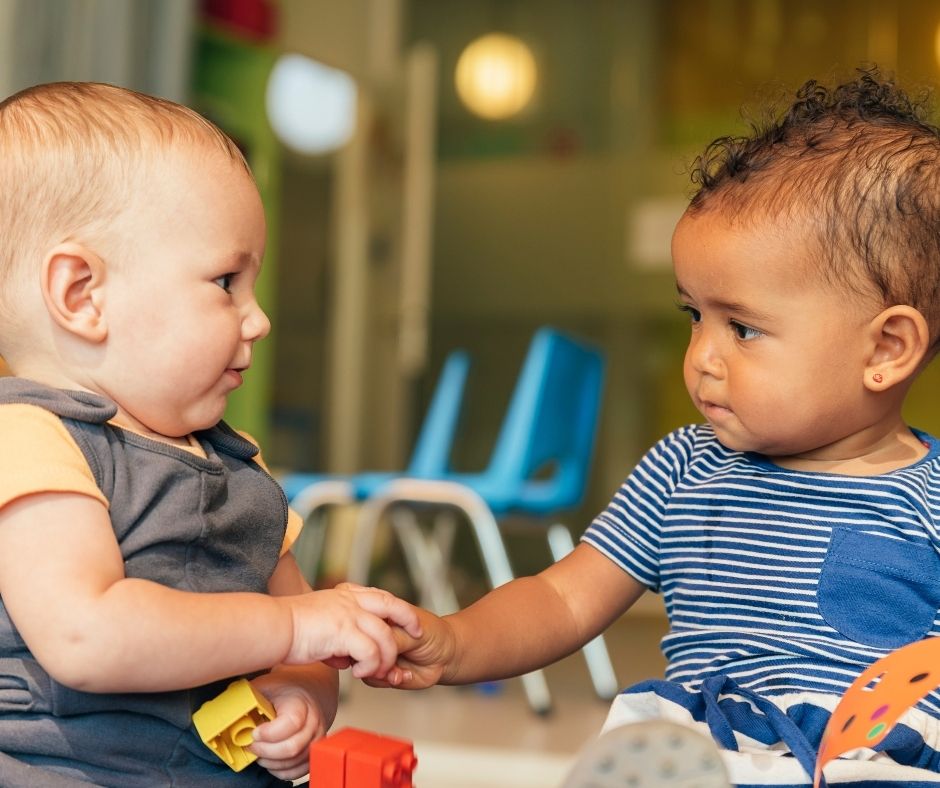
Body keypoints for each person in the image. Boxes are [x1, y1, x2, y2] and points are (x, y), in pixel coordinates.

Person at [380, 69, 940, 786]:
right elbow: (562, 598)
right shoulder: (685, 468)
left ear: (886, 349)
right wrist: (457, 641)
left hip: (874, 759)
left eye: (743, 328)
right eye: (693, 317)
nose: (702, 357)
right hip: (700, 753)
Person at [0, 82, 421, 788]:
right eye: (226, 282)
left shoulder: (239, 465)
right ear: (83, 295)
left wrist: (300, 694)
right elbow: (86, 635)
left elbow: (306, 642)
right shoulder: (31, 440)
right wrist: (293, 630)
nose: (256, 319)